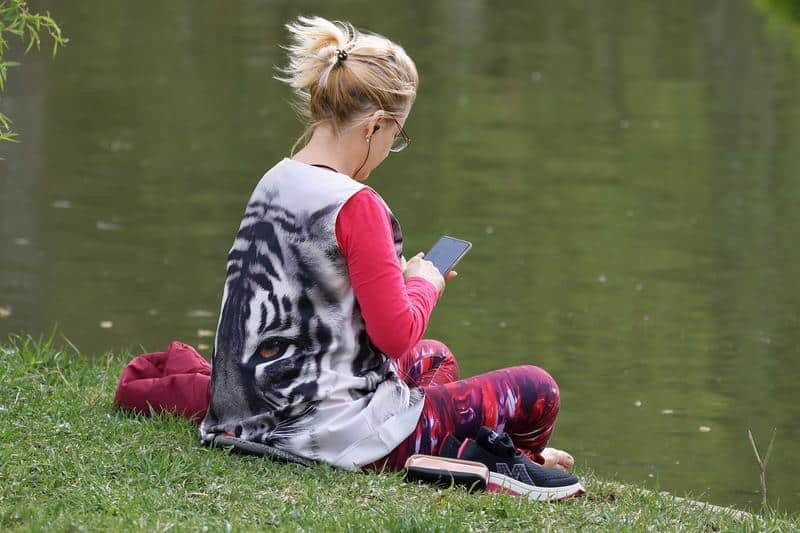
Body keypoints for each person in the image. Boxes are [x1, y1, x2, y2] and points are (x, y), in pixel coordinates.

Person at [199, 16, 583, 499]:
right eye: (394, 136)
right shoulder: (357, 204)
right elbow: (395, 336)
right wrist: (424, 282)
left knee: (437, 359)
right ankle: (513, 460)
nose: (388, 149)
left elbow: (310, 296)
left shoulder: (275, 180)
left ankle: (464, 453)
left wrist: (390, 281)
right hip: (328, 433)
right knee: (536, 388)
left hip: (247, 415)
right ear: (375, 124)